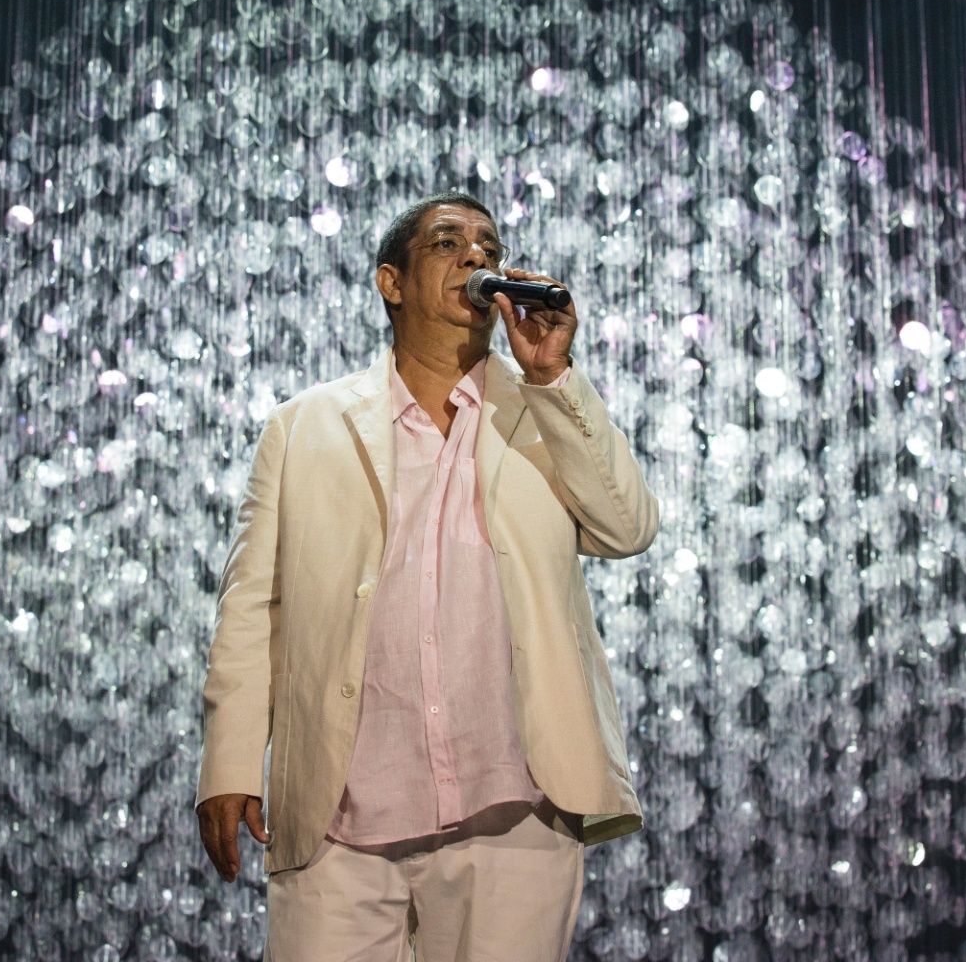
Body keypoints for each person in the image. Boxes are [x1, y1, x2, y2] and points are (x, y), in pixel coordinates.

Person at [195, 192, 659, 962]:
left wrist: (552, 377)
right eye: (448, 243)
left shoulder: (542, 409)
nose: (477, 256)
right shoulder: (304, 426)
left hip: (515, 808)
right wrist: (231, 761)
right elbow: (252, 607)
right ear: (392, 282)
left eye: (488, 244)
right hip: (341, 815)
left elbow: (628, 528)